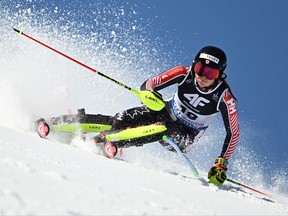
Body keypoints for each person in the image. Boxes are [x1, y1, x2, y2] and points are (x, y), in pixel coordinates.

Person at [36, 46, 240, 186]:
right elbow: (149, 84)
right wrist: (150, 95)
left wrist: (221, 162)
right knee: (121, 119)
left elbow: (233, 133)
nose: (203, 76)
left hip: (186, 135)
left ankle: (109, 141)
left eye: (210, 73)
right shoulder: (182, 73)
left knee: (163, 128)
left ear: (220, 74)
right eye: (200, 68)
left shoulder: (225, 97)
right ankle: (57, 123)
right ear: (194, 65)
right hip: (166, 110)